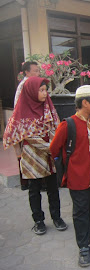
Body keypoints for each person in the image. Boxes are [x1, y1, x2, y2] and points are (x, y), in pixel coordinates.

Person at [3, 77, 67, 235]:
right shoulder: (22, 110)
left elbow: (56, 127)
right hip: (32, 157)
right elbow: (24, 135)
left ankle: (57, 217)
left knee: (53, 188)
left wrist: (54, 143)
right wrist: (51, 147)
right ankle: (38, 221)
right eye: (41, 90)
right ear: (31, 91)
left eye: (46, 90)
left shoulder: (49, 108)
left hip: (49, 157)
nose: (45, 94)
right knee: (34, 190)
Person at [50, 85, 90, 267]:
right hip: (77, 178)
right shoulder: (68, 124)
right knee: (80, 212)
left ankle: (88, 235)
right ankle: (83, 248)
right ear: (85, 102)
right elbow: (54, 148)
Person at [13, 61, 40, 191]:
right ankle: (29, 182)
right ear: (27, 72)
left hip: (32, 124)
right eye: (35, 70)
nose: (38, 73)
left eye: (38, 70)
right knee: (28, 154)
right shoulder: (25, 85)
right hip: (27, 125)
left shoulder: (32, 83)